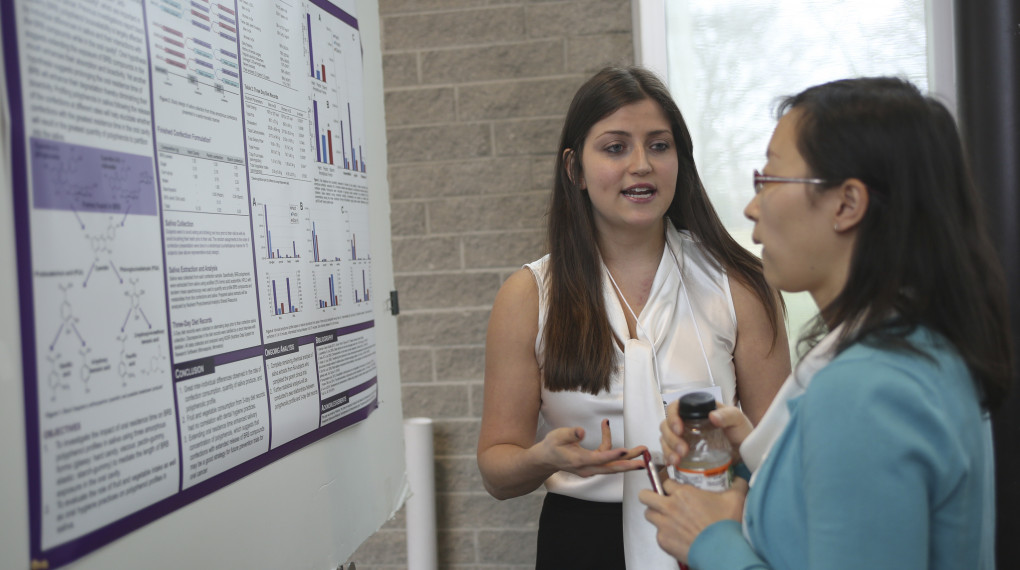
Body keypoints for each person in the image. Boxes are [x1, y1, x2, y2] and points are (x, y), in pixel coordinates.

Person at [640, 76, 1013, 569]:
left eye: (769, 180)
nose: (753, 207)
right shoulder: (917, 344)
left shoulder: (866, 388)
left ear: (847, 204)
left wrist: (712, 540)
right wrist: (755, 452)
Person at [476, 65, 791, 569]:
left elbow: (781, 457)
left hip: (712, 531)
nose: (641, 165)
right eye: (615, 147)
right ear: (575, 169)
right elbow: (496, 469)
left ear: (680, 161)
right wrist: (544, 458)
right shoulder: (529, 295)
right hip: (579, 542)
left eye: (659, 146)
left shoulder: (740, 285)